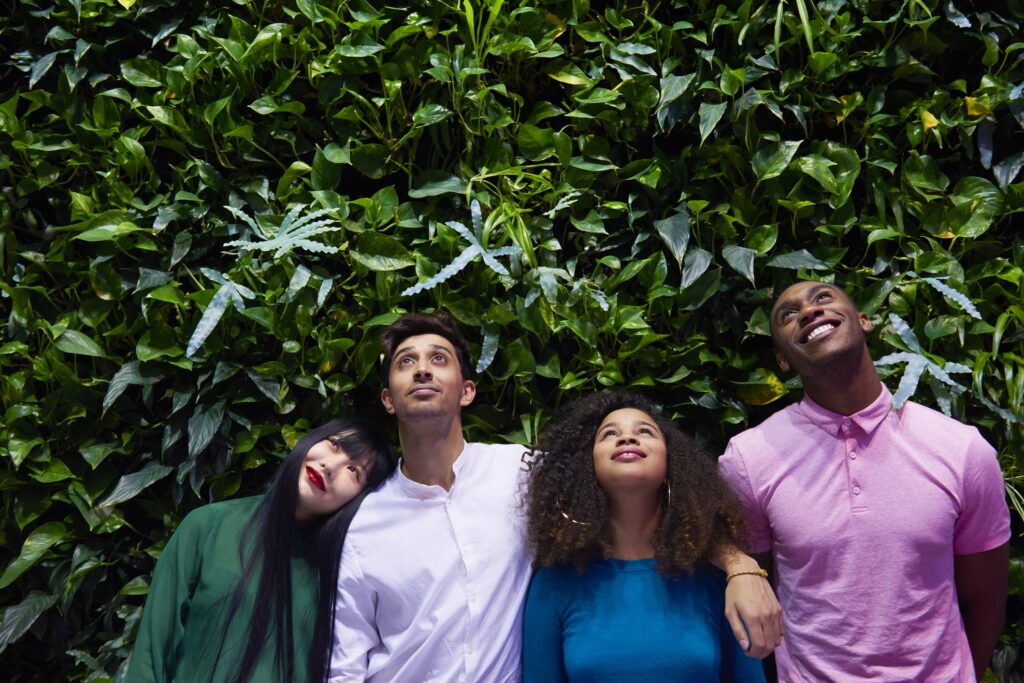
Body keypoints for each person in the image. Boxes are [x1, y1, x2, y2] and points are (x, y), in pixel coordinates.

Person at [329, 312, 782, 682]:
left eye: (438, 358)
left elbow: (646, 491)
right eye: (406, 361)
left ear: (467, 390)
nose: (423, 368)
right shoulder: (363, 524)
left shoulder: (523, 472)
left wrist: (740, 567)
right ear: (388, 399)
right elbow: (345, 664)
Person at [718, 280, 1011, 681]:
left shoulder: (962, 450)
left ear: (863, 320)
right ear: (782, 360)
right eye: (789, 314)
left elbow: (986, 597)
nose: (809, 311)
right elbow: (753, 577)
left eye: (823, 298)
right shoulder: (750, 458)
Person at [125, 418, 396, 683]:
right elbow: (152, 653)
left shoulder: (345, 575)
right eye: (334, 445)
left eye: (354, 471)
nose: (330, 466)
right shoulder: (208, 526)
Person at [521, 391, 768, 682]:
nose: (627, 438)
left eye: (644, 431)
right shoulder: (554, 583)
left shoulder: (716, 579)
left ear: (671, 466)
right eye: (609, 434)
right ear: (588, 467)